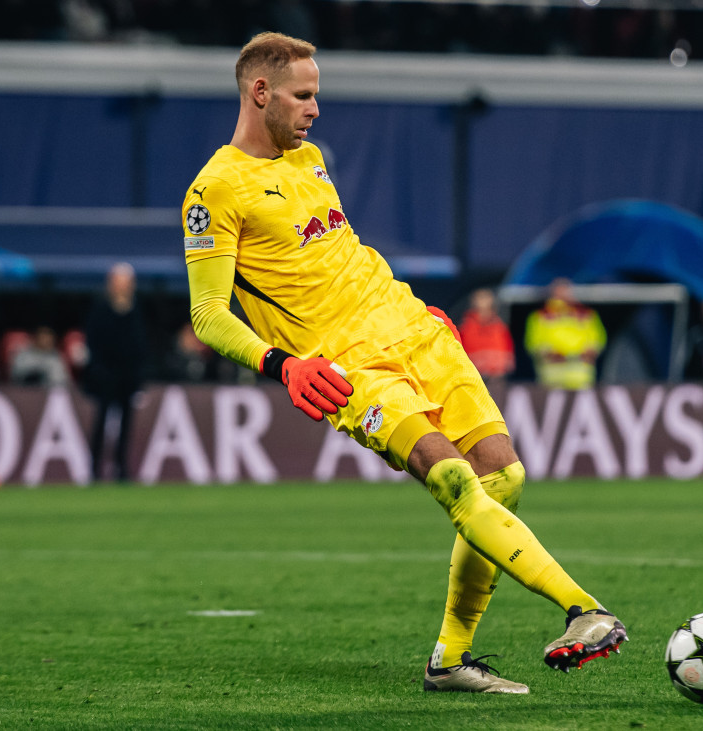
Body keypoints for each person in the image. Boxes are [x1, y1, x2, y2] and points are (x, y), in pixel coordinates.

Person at [181, 33, 625, 695]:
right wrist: (283, 365)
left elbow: (340, 253)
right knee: (450, 475)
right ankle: (584, 609)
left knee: (503, 476)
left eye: (318, 95)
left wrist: (418, 313)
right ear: (260, 92)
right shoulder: (213, 190)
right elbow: (209, 313)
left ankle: (450, 660)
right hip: (348, 366)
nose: (315, 109)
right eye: (304, 96)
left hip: (414, 328)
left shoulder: (310, 162)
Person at [85, 262, 148, 482]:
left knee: (126, 425)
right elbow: (93, 343)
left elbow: (142, 346)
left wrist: (138, 375)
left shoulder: (138, 310)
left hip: (128, 378)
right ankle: (93, 470)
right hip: (106, 377)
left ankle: (121, 469)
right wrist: (99, 371)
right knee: (100, 423)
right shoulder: (101, 309)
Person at [524, 278, 606, 390]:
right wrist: (548, 353)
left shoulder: (586, 314)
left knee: (582, 405)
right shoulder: (540, 316)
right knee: (552, 405)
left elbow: (597, 339)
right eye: (558, 291)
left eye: (565, 290)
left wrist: (590, 350)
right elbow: (534, 343)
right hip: (553, 373)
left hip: (580, 373)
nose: (562, 294)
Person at [458, 288, 514, 381]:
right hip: (473, 375)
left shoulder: (499, 325)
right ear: (473, 301)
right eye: (480, 297)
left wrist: (504, 367)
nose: (483, 301)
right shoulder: (465, 325)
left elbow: (507, 348)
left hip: (496, 376)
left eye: (486, 297)